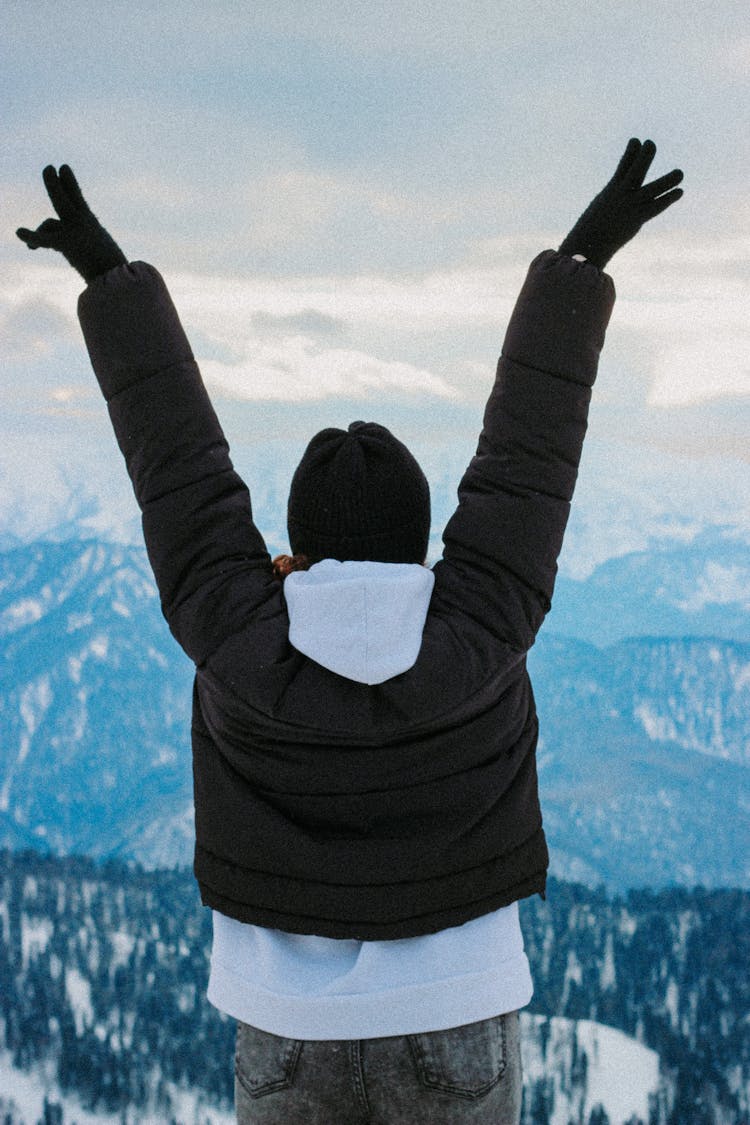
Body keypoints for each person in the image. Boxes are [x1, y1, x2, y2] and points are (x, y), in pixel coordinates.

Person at [17, 138, 683, 1125]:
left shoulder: (236, 630)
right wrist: (581, 264)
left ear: (297, 543)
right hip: (459, 1013)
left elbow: (177, 461)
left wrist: (109, 281)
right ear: (422, 541)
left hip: (286, 1028)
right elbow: (529, 455)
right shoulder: (483, 619)